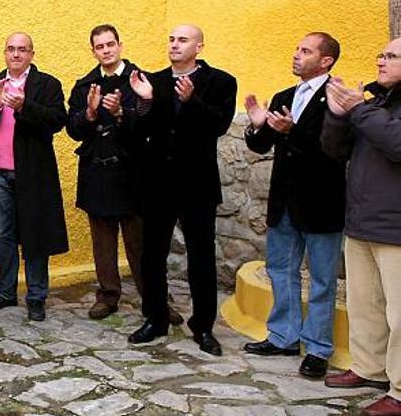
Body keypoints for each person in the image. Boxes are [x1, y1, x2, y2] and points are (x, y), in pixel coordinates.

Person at [127, 25, 237, 356]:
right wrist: (145, 102)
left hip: (196, 183)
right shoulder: (154, 80)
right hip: (158, 183)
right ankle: (155, 318)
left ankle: (203, 326)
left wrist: (191, 101)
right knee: (152, 256)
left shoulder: (221, 82)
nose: (174, 45)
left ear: (199, 47)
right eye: (171, 39)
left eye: (182, 40)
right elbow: (140, 129)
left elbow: (218, 125)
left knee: (201, 257)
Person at [241, 32, 345, 379]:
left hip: (321, 202)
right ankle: (284, 336)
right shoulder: (284, 96)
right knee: (281, 271)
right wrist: (256, 125)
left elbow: (334, 150)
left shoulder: (337, 96)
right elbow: (261, 145)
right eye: (296, 49)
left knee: (321, 279)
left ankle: (317, 348)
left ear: (326, 60)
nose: (296, 55)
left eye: (305, 51)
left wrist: (293, 131)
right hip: (284, 202)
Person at [66, 24, 182, 324]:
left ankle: (156, 299)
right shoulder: (84, 86)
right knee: (103, 242)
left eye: (110, 45)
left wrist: (120, 113)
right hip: (98, 171)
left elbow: (151, 125)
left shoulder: (141, 81)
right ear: (93, 51)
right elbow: (73, 130)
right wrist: (90, 114)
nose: (106, 50)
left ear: (120, 45)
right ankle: (108, 295)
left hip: (133, 172)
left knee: (142, 243)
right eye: (99, 46)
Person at [322, 37, 401, 416]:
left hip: (397, 226)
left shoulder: (372, 109)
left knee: (400, 314)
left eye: (391, 56)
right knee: (365, 304)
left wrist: (359, 111)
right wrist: (338, 115)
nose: (380, 60)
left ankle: (400, 390)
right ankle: (369, 368)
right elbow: (335, 151)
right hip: (362, 221)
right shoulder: (374, 104)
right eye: (380, 53)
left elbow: (398, 144)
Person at [0, 32, 69, 322]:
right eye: (11, 49)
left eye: (22, 50)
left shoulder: (47, 84)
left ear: (32, 54)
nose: (16, 55)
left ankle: (36, 296)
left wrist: (25, 106)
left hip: (33, 174)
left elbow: (57, 120)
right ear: (4, 53)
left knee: (35, 234)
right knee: (3, 234)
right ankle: (6, 292)